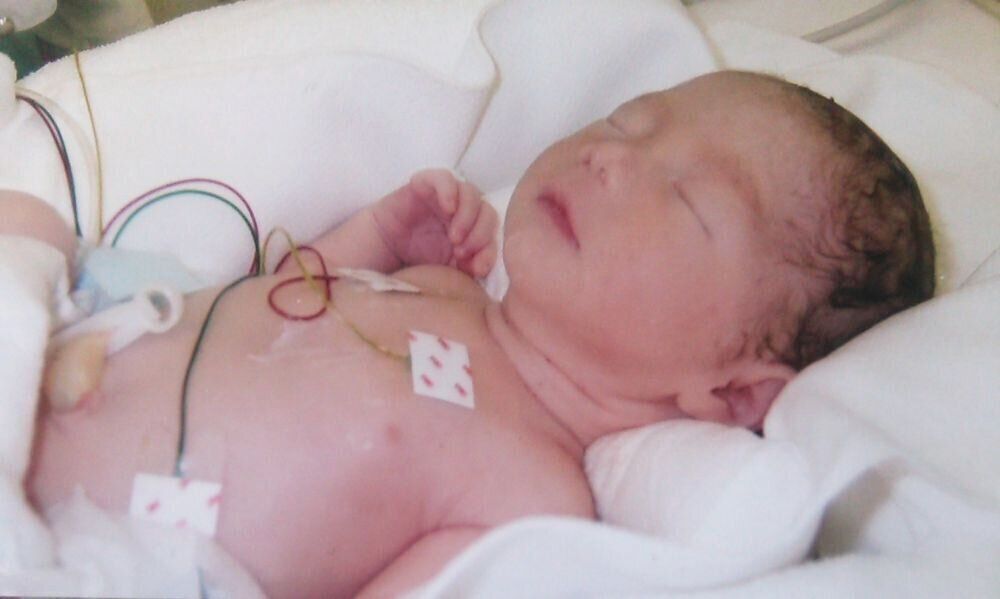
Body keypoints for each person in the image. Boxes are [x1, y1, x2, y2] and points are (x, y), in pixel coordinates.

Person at [9, 70, 934, 598]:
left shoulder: (532, 498)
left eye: (687, 197)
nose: (609, 157)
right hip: (75, 342)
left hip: (90, 549)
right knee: (29, 220)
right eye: (627, 122)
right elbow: (268, 306)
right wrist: (372, 239)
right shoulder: (444, 291)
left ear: (732, 391)